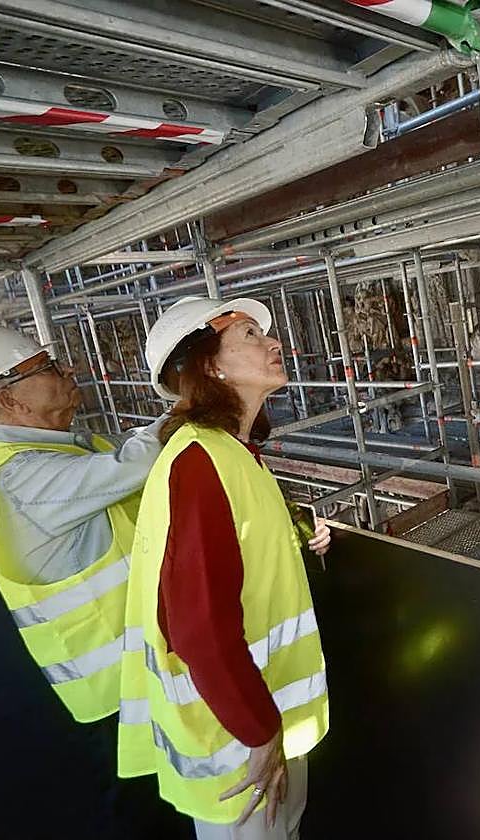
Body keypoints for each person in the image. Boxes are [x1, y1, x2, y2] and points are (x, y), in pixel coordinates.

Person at [0, 320, 184, 835]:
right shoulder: (23, 478)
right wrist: (196, 400)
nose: (67, 372)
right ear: (10, 400)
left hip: (149, 672)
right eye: (48, 367)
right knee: (154, 811)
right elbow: (142, 461)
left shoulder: (67, 450)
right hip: (119, 689)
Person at [119, 296, 332, 840]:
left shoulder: (232, 452)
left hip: (259, 715)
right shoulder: (199, 462)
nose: (274, 343)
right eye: (250, 338)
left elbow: (241, 548)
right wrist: (258, 732)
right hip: (234, 735)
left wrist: (300, 533)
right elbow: (196, 627)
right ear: (209, 366)